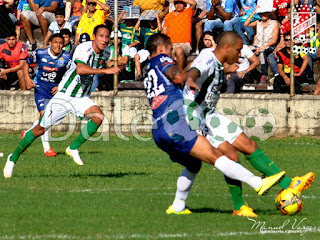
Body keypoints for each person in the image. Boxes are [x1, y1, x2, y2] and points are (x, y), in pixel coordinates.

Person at [144, 32, 287, 215]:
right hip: (175, 123)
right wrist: (185, 67)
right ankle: (257, 183)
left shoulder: (149, 68)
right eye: (171, 49)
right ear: (161, 48)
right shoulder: (162, 59)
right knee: (216, 155)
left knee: (194, 165)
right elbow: (179, 77)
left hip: (159, 130)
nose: (172, 53)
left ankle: (177, 206)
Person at [180, 31, 315, 216]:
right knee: (229, 156)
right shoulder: (207, 59)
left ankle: (289, 183)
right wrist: (189, 77)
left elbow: (212, 70)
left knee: (248, 144)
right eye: (238, 50)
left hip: (209, 115)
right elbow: (196, 70)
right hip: (194, 117)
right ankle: (238, 207)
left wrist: (228, 69)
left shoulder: (216, 62)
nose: (239, 55)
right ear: (227, 47)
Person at [3, 24, 121, 178]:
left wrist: (117, 64)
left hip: (81, 97)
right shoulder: (83, 49)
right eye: (101, 36)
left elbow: (103, 64)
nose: (104, 40)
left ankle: (73, 148)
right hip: (64, 96)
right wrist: (106, 71)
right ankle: (13, 158)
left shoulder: (106, 51)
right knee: (39, 129)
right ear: (94, 36)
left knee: (98, 117)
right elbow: (80, 69)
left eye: (107, 37)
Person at [22, 33, 72, 157]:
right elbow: (25, 62)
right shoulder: (40, 53)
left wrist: (61, 87)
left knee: (52, 119)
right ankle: (47, 149)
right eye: (55, 42)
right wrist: (27, 78)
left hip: (56, 92)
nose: (58, 45)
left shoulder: (66, 57)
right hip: (41, 89)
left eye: (61, 43)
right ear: (50, 43)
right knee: (45, 117)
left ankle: (28, 133)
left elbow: (71, 73)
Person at [244, 5, 279, 84]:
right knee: (247, 49)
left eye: (265, 13)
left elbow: (274, 41)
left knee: (262, 51)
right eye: (261, 13)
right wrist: (254, 12)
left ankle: (264, 75)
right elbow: (246, 24)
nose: (263, 15)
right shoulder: (258, 22)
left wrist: (261, 47)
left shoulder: (274, 23)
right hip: (258, 45)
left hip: (269, 46)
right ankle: (248, 74)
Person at [162, 0, 196, 69]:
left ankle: (180, 74)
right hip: (171, 44)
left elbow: (194, 3)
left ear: (185, 5)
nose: (178, 5)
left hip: (184, 44)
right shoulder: (169, 15)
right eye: (176, 3)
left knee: (179, 50)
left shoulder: (187, 12)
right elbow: (164, 30)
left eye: (181, 3)